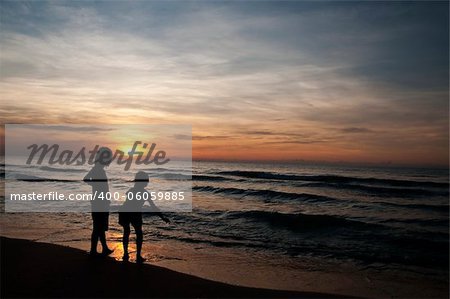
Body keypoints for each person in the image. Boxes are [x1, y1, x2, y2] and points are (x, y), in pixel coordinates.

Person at [119, 171, 170, 263]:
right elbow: (153, 206)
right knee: (138, 234)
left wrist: (162, 217)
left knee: (127, 232)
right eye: (146, 180)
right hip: (132, 213)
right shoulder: (144, 193)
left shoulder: (131, 190)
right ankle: (137, 256)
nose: (147, 182)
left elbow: (128, 203)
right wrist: (162, 217)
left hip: (125, 212)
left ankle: (126, 254)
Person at [83, 147, 114, 256]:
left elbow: (87, 179)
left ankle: (104, 248)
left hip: (100, 201)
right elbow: (86, 179)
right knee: (97, 227)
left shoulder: (98, 169)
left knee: (99, 227)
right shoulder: (97, 169)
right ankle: (93, 251)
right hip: (99, 202)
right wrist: (96, 186)